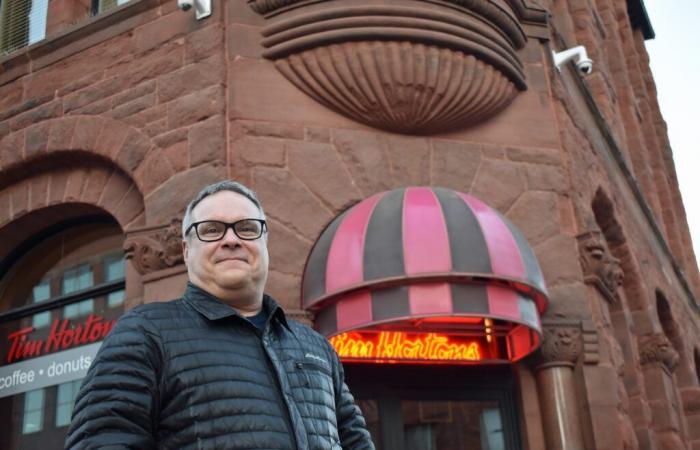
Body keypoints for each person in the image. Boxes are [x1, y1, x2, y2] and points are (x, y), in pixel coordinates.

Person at [65, 180, 375, 450]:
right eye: (211, 230)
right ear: (187, 251)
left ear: (264, 243)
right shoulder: (144, 332)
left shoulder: (316, 347)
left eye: (247, 228)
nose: (231, 239)